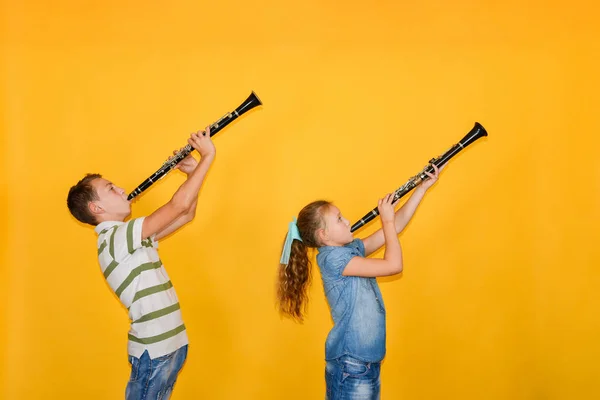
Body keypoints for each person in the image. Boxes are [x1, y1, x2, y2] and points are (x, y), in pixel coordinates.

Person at [66, 127, 215, 399]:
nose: (122, 189)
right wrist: (207, 158)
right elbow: (178, 206)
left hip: (169, 347)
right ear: (97, 209)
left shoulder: (131, 238)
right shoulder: (116, 238)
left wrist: (194, 173)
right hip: (154, 353)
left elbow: (186, 214)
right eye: (111, 189)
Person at [277, 164, 442, 399]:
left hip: (363, 362)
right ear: (324, 235)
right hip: (350, 365)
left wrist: (422, 189)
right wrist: (385, 220)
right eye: (339, 219)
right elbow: (393, 265)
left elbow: (395, 227)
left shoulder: (349, 249)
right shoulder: (333, 259)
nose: (347, 221)